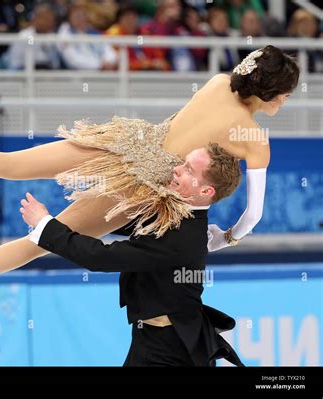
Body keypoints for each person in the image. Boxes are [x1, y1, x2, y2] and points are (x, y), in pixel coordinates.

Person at [0, 46, 299, 328]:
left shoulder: (219, 82)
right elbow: (253, 216)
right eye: (286, 94)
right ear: (274, 92)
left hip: (124, 141)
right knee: (43, 239)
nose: (285, 102)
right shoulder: (255, 141)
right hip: (138, 186)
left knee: (12, 164)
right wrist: (225, 238)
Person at [18, 143, 244, 366]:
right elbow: (123, 223)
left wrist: (45, 226)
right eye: (183, 163)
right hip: (155, 339)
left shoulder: (182, 237)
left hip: (173, 351)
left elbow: (101, 257)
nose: (177, 169)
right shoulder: (177, 211)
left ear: (206, 191)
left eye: (188, 170)